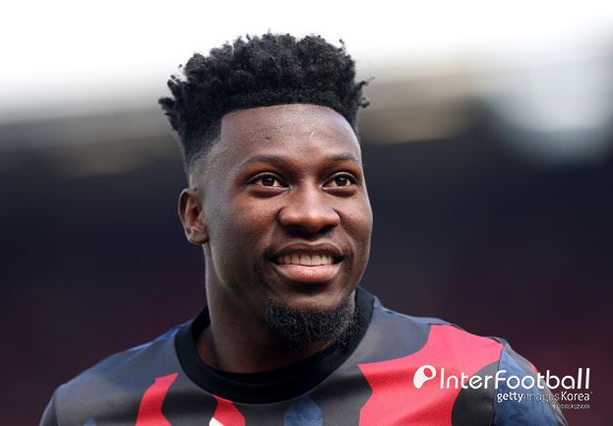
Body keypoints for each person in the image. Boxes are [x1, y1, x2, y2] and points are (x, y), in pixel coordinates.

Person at [41, 33, 567, 426]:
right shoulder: (93, 411)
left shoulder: (482, 387)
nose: (314, 214)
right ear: (195, 216)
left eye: (340, 181)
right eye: (269, 182)